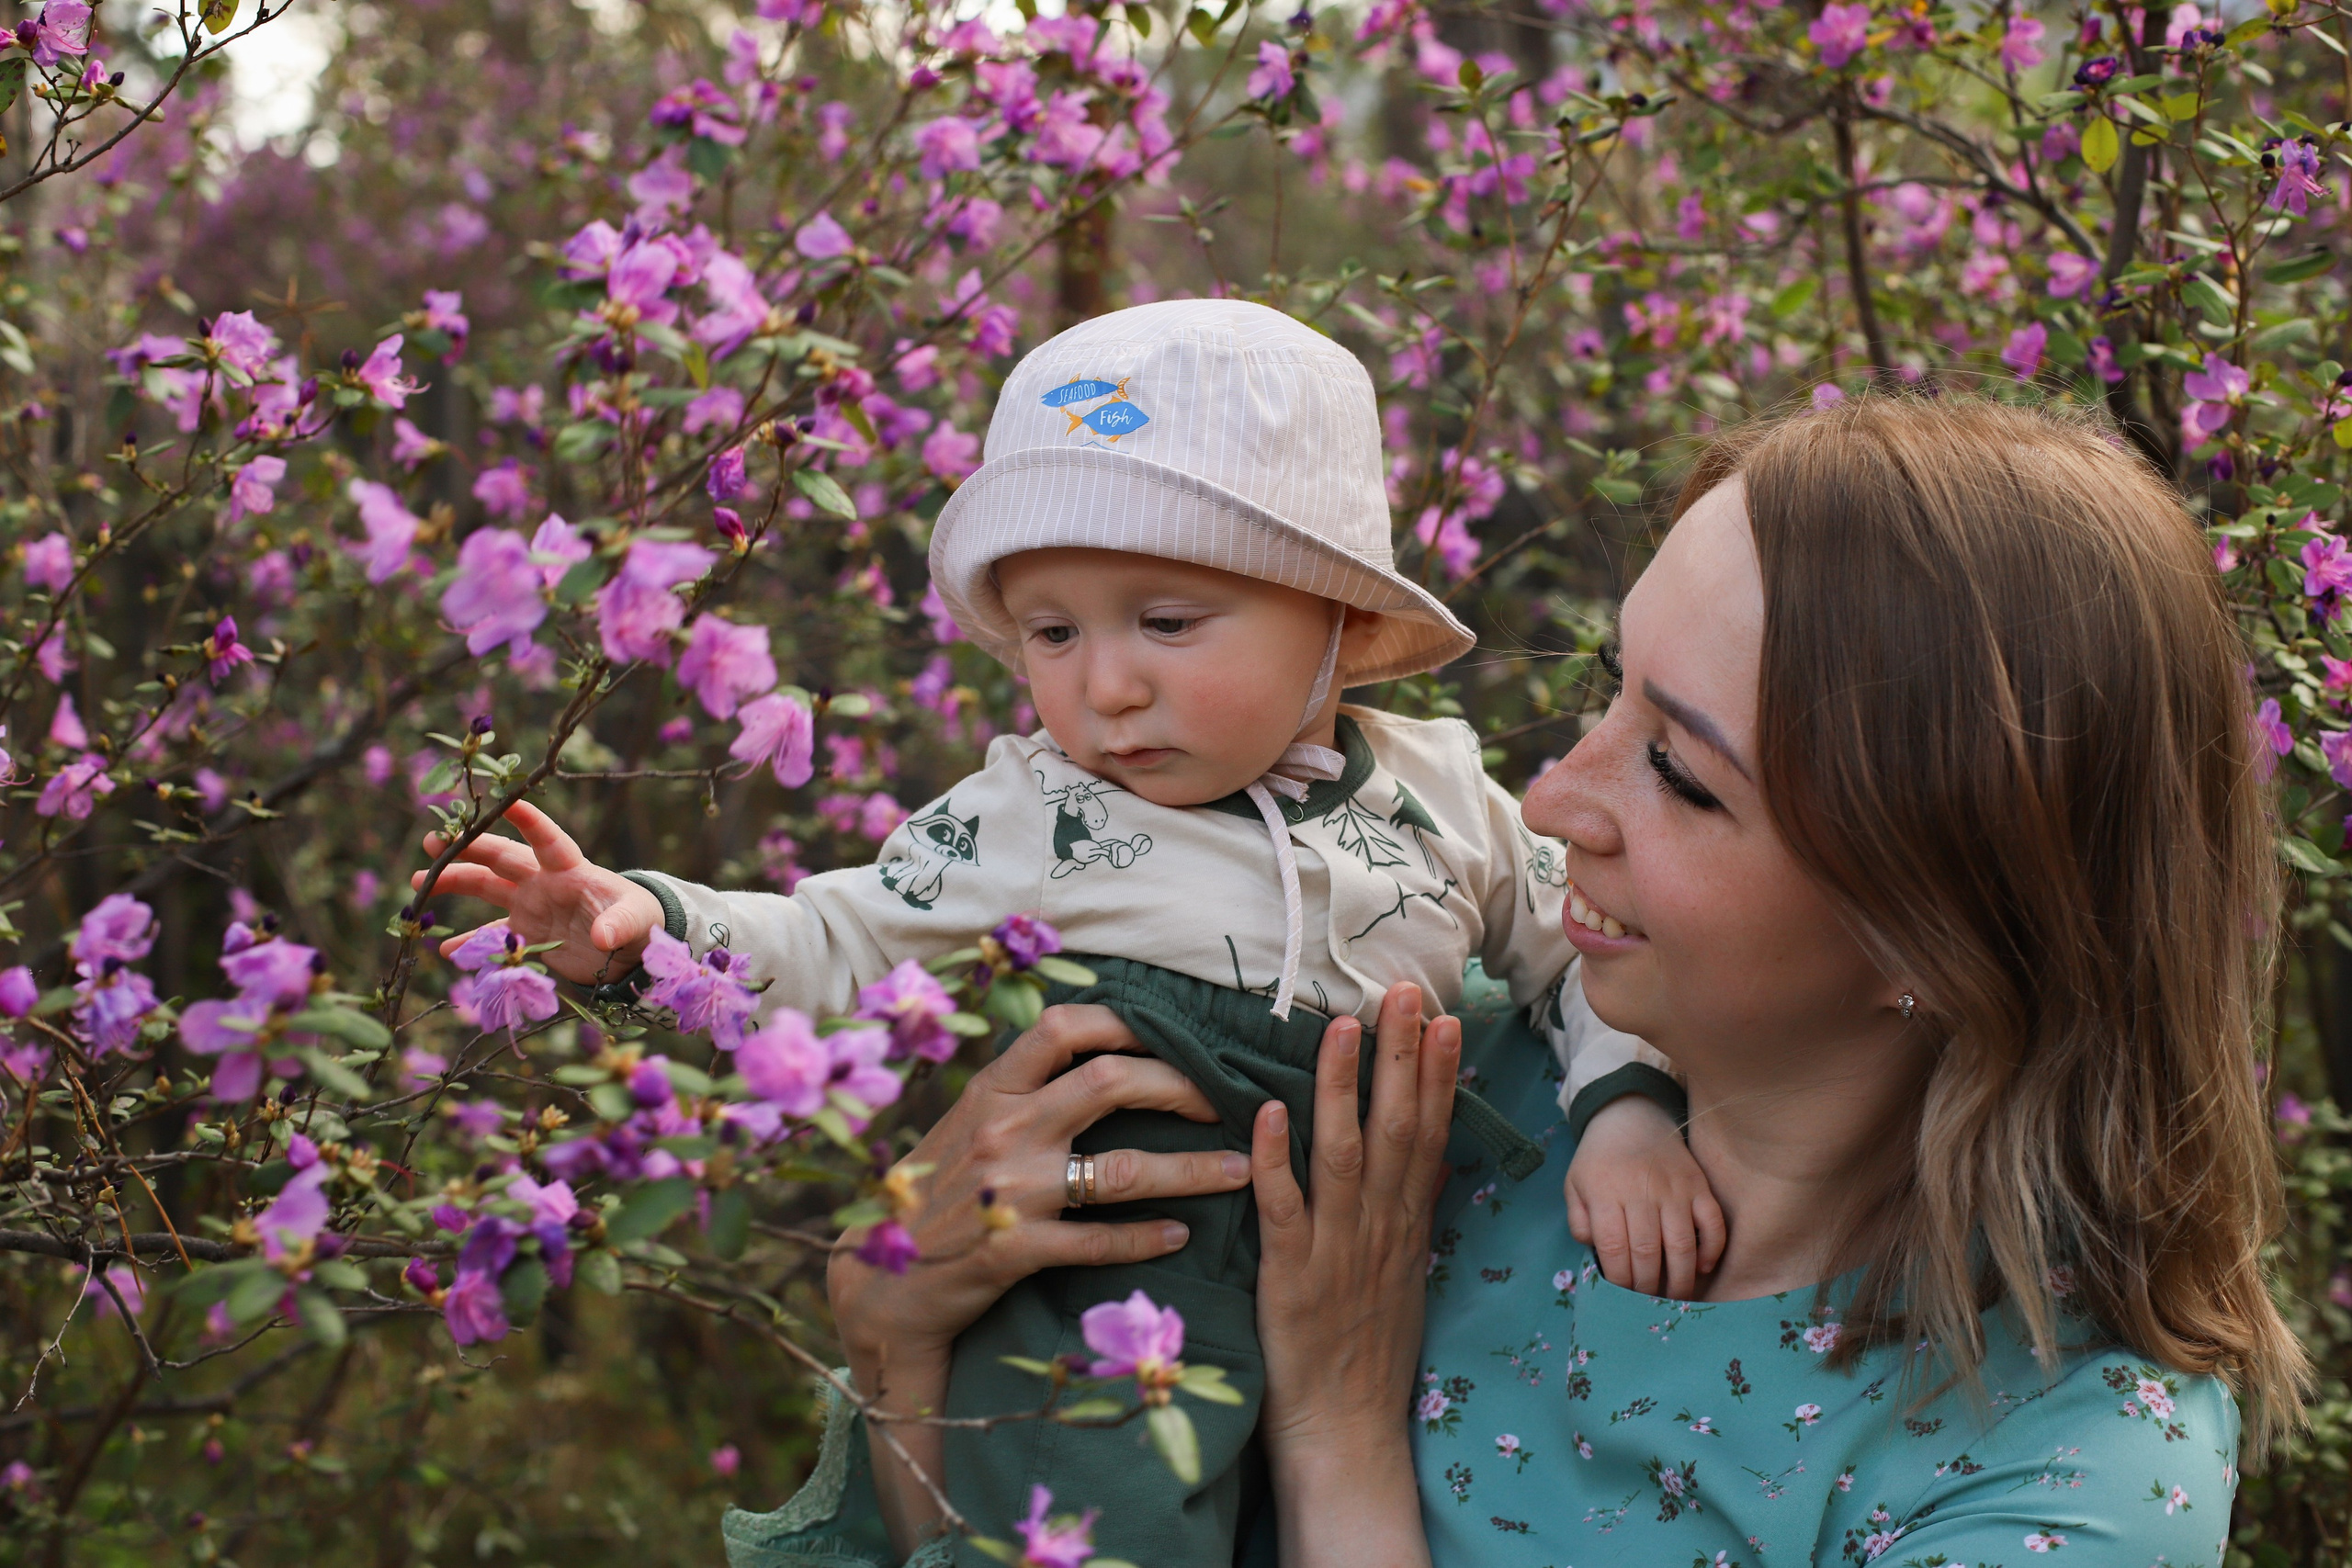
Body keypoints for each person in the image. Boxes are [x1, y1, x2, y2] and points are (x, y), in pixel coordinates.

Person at [751, 393, 2306, 1568]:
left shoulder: (2057, 1482)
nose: (1556, 799)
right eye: (1606, 694)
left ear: (1936, 921)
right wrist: (898, 1344)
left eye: (1683, 778)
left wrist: (1342, 1437)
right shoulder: (1415, 1086)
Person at [414, 299, 1708, 1567]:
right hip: (1111, 1288)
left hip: (1370, 1289)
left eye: (1166, 621)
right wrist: (648, 933)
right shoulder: (1034, 814)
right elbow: (838, 941)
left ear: (1345, 622)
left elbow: (1575, 955)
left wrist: (1630, 1111)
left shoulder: (1445, 796)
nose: (1107, 685)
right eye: (1053, 630)